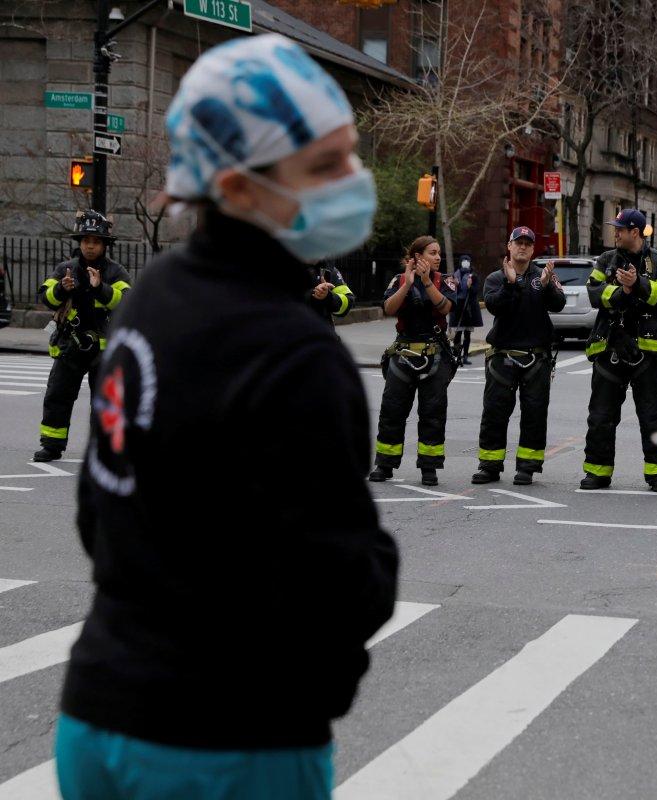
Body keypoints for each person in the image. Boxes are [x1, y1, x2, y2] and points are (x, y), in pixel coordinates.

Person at [56, 35, 399, 800]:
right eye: (326, 164)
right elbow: (335, 580)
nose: (354, 180)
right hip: (231, 741)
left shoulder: (151, 296)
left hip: (98, 713)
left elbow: (98, 507)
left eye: (350, 155)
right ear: (242, 188)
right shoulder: (295, 351)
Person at [580, 209, 657, 493]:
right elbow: (594, 293)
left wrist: (638, 284)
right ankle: (597, 472)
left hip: (649, 352)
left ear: (635, 232)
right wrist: (622, 292)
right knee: (601, 415)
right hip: (610, 348)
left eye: (620, 229)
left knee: (653, 415)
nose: (615, 233)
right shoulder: (606, 260)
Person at [33, 210, 131, 462]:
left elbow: (127, 302)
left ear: (104, 245)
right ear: (80, 242)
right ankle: (51, 445)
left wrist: (101, 289)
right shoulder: (65, 269)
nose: (90, 246)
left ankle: (103, 449)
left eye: (96, 241)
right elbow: (45, 297)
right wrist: (60, 289)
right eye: (86, 240)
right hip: (70, 346)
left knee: (105, 401)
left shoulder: (115, 272)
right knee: (57, 396)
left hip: (103, 351)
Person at [473, 226, 565, 486]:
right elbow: (495, 306)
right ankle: (489, 466)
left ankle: (527, 467)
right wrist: (511, 284)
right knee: (494, 412)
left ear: (533, 249)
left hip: (537, 357)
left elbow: (558, 304)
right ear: (509, 246)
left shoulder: (544, 275)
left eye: (527, 243)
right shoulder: (496, 277)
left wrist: (546, 286)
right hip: (503, 356)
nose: (522, 247)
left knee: (534, 413)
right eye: (518, 242)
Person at [370, 235, 455, 486]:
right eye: (432, 252)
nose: (438, 257)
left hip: (434, 352)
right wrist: (407, 284)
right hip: (403, 353)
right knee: (392, 410)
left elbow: (445, 307)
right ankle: (385, 464)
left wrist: (427, 282)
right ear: (418, 256)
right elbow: (389, 308)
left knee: (433, 413)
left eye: (439, 253)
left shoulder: (444, 280)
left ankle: (429, 467)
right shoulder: (399, 280)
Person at [449, 255, 483, 365]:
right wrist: (457, 285)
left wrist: (469, 286)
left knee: (467, 334)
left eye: (467, 261)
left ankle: (465, 356)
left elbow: (476, 290)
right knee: (458, 333)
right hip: (458, 308)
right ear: (460, 262)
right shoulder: (455, 275)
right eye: (464, 261)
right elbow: (451, 292)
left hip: (468, 308)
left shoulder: (473, 276)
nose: (466, 262)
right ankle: (456, 355)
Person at [308, 260, 355, 324]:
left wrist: (329, 297)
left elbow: (347, 302)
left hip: (322, 327)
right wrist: (313, 293)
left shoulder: (329, 269)